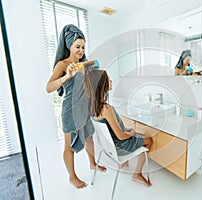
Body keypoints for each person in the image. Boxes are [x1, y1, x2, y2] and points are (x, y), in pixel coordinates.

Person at [45, 24, 106, 189]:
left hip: (83, 108)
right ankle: (72, 177)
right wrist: (67, 76)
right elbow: (48, 87)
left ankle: (92, 163)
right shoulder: (63, 64)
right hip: (70, 111)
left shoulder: (84, 62)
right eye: (77, 46)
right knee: (69, 146)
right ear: (69, 45)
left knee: (89, 137)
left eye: (83, 47)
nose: (81, 50)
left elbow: (94, 74)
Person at [84, 69, 153, 187]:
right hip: (120, 146)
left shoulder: (93, 107)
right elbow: (121, 136)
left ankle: (124, 163)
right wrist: (132, 133)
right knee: (149, 140)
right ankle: (137, 174)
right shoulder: (106, 109)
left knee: (134, 133)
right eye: (108, 79)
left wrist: (128, 131)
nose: (111, 81)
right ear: (102, 85)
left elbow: (113, 129)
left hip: (110, 146)